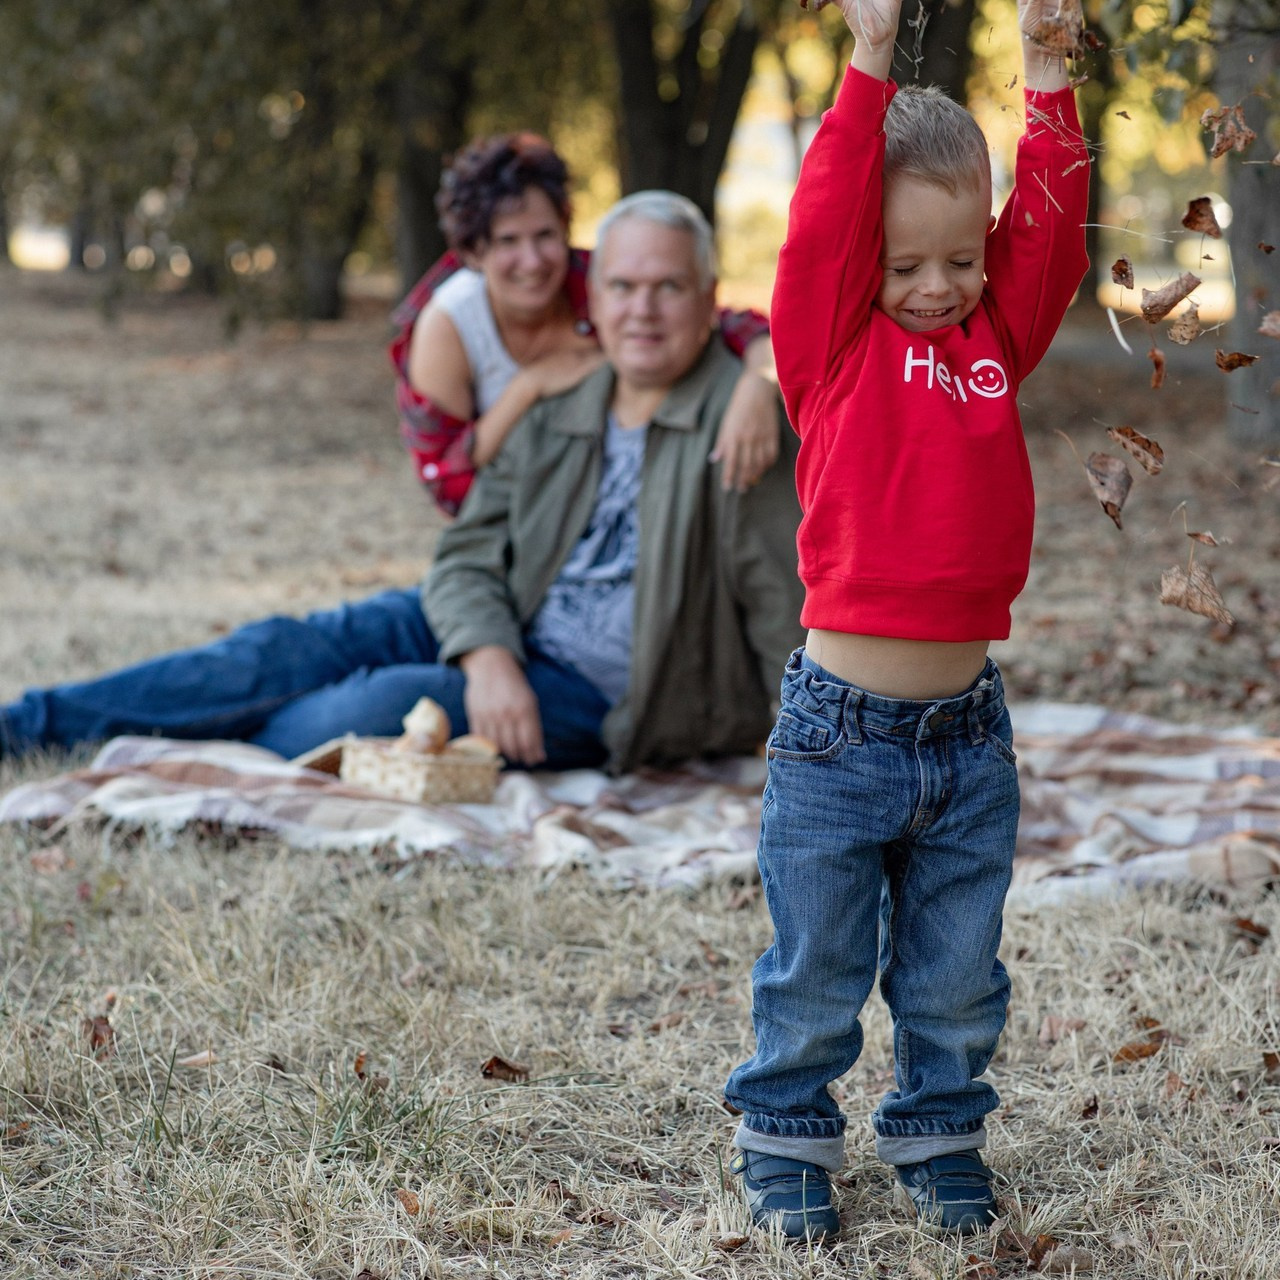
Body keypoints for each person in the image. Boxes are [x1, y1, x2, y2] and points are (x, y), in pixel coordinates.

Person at [0, 193, 804, 775]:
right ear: (594, 296)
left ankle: (188, 748)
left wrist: (806, 761)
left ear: (708, 297)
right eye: (624, 287)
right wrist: (489, 657)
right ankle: (29, 724)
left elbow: (785, 614)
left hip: (601, 694)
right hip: (498, 624)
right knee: (284, 648)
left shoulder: (744, 424)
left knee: (363, 710)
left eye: (668, 287)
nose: (644, 310)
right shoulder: (568, 403)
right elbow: (466, 554)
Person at [721, 0, 1089, 1242]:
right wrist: (868, 56)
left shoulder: (997, 334)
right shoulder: (827, 348)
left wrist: (1045, 74)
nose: (935, 288)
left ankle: (939, 1136)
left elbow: (1048, 231)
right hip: (836, 736)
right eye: (904, 265)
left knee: (953, 973)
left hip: (966, 733)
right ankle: (784, 1138)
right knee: (815, 969)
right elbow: (824, 220)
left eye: (959, 259)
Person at [389, 132, 781, 514]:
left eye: (546, 236)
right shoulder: (450, 324)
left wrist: (759, 383)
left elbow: (719, 320)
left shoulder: (600, 282)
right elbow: (447, 484)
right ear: (474, 252)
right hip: (514, 516)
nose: (533, 261)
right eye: (508, 241)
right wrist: (528, 388)